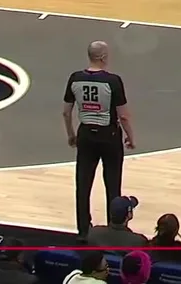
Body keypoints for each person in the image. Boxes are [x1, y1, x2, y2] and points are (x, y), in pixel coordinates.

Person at [64, 41, 135, 237]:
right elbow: (123, 116)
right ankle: (114, 230)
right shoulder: (113, 81)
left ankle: (83, 231)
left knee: (83, 184)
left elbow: (66, 112)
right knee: (112, 184)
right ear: (103, 57)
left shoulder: (75, 78)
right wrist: (130, 137)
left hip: (86, 134)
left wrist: (71, 134)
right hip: (109, 135)